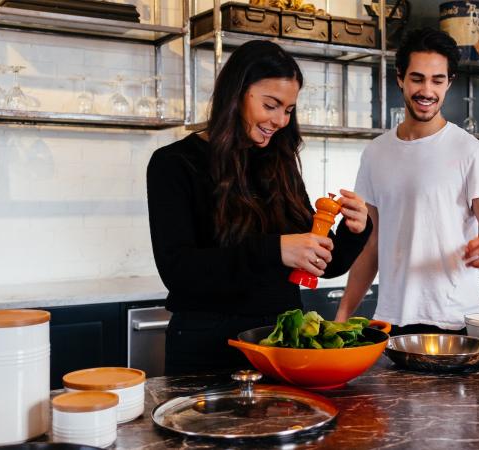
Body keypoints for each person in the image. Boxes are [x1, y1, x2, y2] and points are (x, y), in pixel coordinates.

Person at [147, 40, 372, 375]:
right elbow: (179, 271)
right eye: (271, 105)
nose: (280, 120)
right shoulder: (174, 164)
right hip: (206, 351)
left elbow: (321, 265)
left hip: (280, 345)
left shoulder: (279, 163)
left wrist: (354, 231)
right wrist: (276, 250)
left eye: (289, 110)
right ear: (236, 93)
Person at [335, 28, 479, 336]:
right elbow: (371, 245)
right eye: (417, 78)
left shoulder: (472, 152)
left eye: (437, 80)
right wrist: (341, 317)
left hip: (455, 323)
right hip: (391, 323)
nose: (427, 90)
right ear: (400, 78)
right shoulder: (376, 153)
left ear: (449, 83)